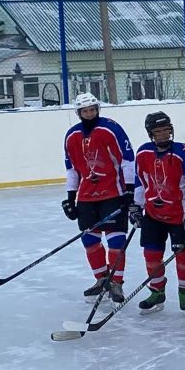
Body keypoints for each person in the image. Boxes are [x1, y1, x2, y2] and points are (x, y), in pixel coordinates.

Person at [60, 92, 137, 303]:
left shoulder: (110, 128)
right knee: (89, 239)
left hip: (114, 192)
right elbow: (73, 170)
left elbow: (128, 160)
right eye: (85, 111)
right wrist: (70, 197)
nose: (90, 114)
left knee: (116, 239)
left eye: (92, 110)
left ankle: (116, 283)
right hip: (87, 196)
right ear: (79, 113)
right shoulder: (72, 135)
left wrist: (129, 190)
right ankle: (101, 279)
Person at [130, 110, 185, 312]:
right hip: (153, 215)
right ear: (150, 133)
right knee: (151, 254)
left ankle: (184, 292)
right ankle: (157, 292)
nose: (163, 134)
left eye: (166, 130)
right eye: (158, 131)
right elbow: (140, 181)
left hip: (180, 216)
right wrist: (136, 206)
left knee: (184, 255)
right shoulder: (143, 152)